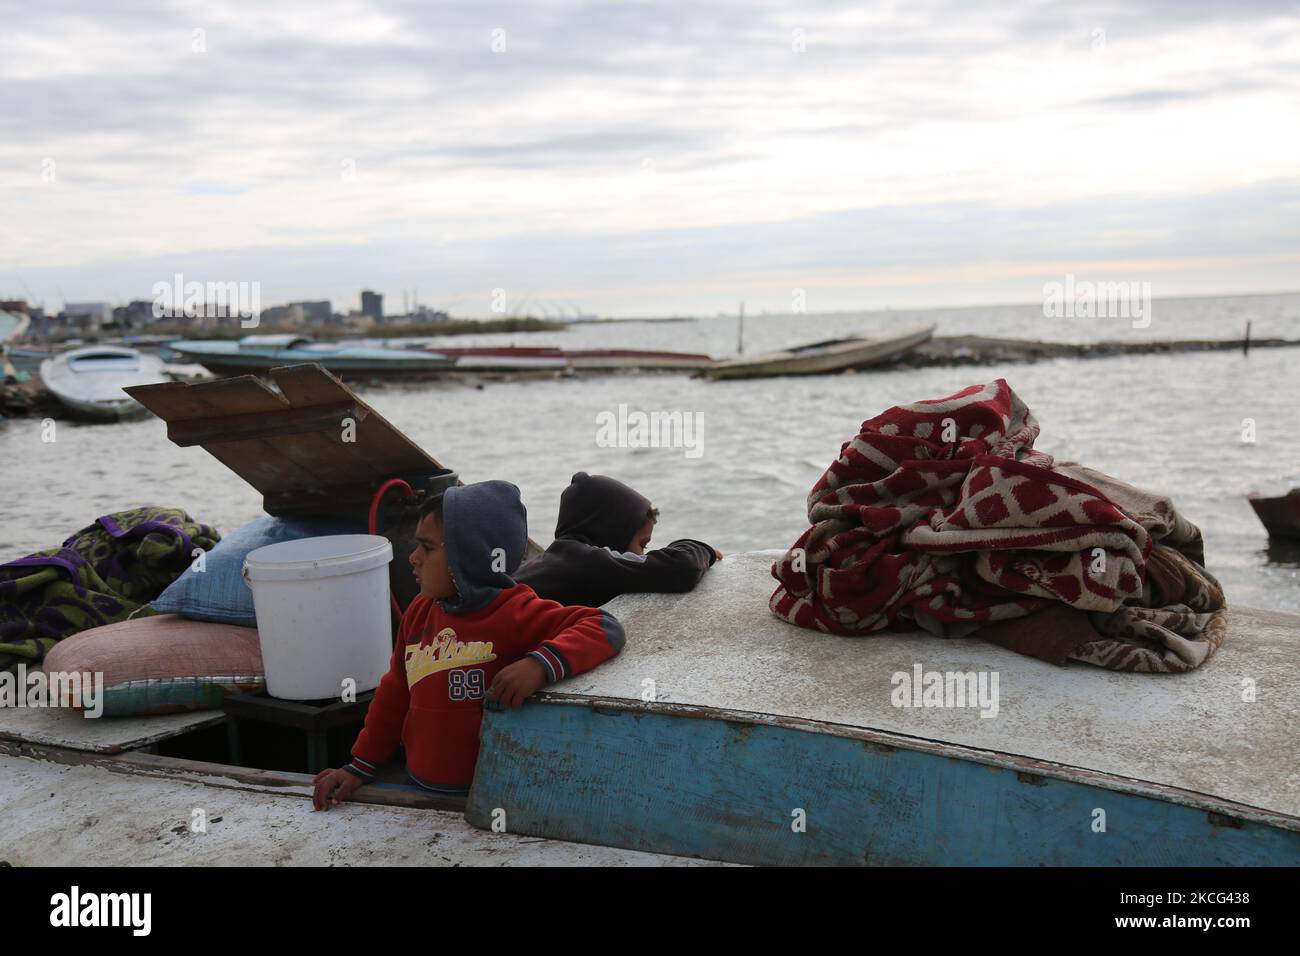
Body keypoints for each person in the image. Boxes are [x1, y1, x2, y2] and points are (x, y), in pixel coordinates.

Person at [312, 480, 624, 808]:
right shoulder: (420, 611)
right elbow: (395, 692)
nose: (413, 558)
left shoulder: (514, 610)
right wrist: (359, 766)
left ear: (469, 556)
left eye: (428, 548)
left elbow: (603, 626)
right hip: (419, 789)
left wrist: (539, 665)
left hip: (486, 799)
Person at [513, 472, 721, 608]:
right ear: (612, 531)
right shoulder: (587, 562)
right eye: (642, 544)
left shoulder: (556, 560)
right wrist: (704, 550)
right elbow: (683, 567)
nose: (641, 555)